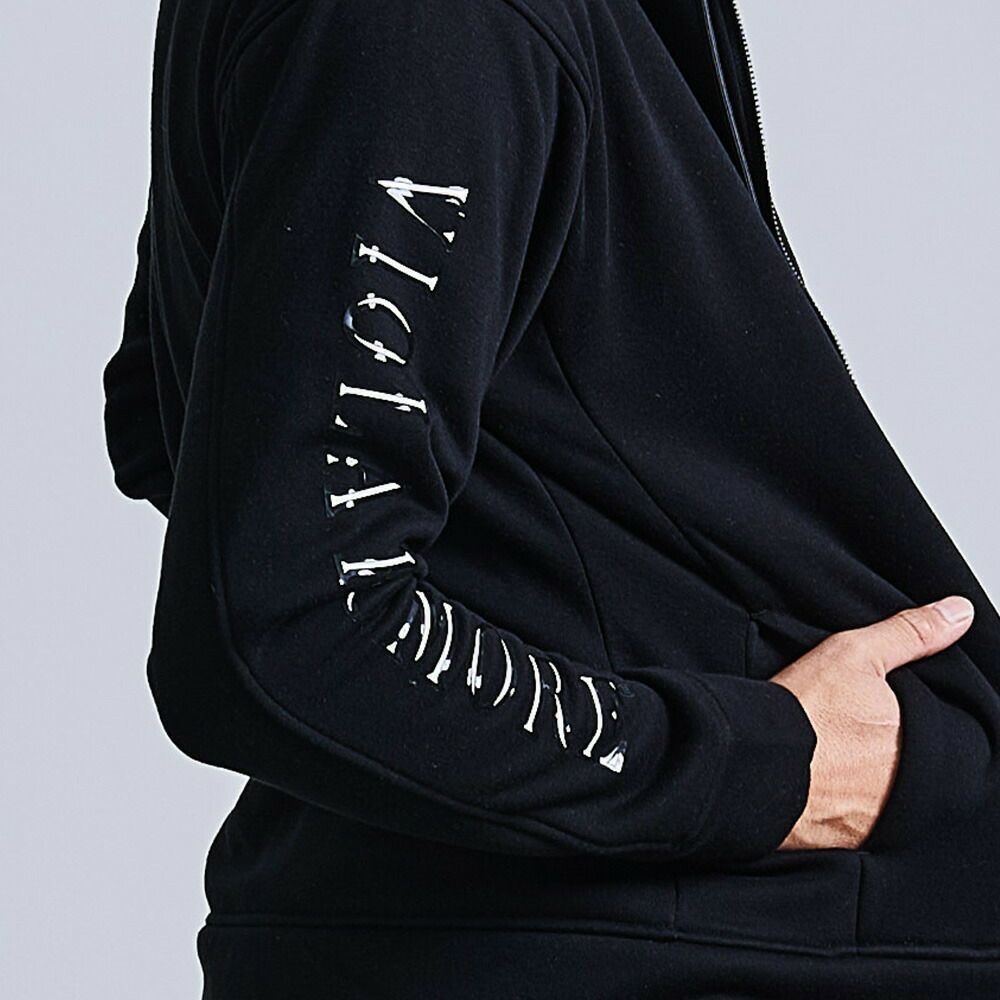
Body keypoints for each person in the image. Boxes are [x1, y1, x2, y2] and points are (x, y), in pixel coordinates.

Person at [102, 0, 1000, 995]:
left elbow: (165, 418)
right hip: (647, 936)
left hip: (515, 920)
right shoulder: (436, 29)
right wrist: (759, 764)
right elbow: (292, 624)